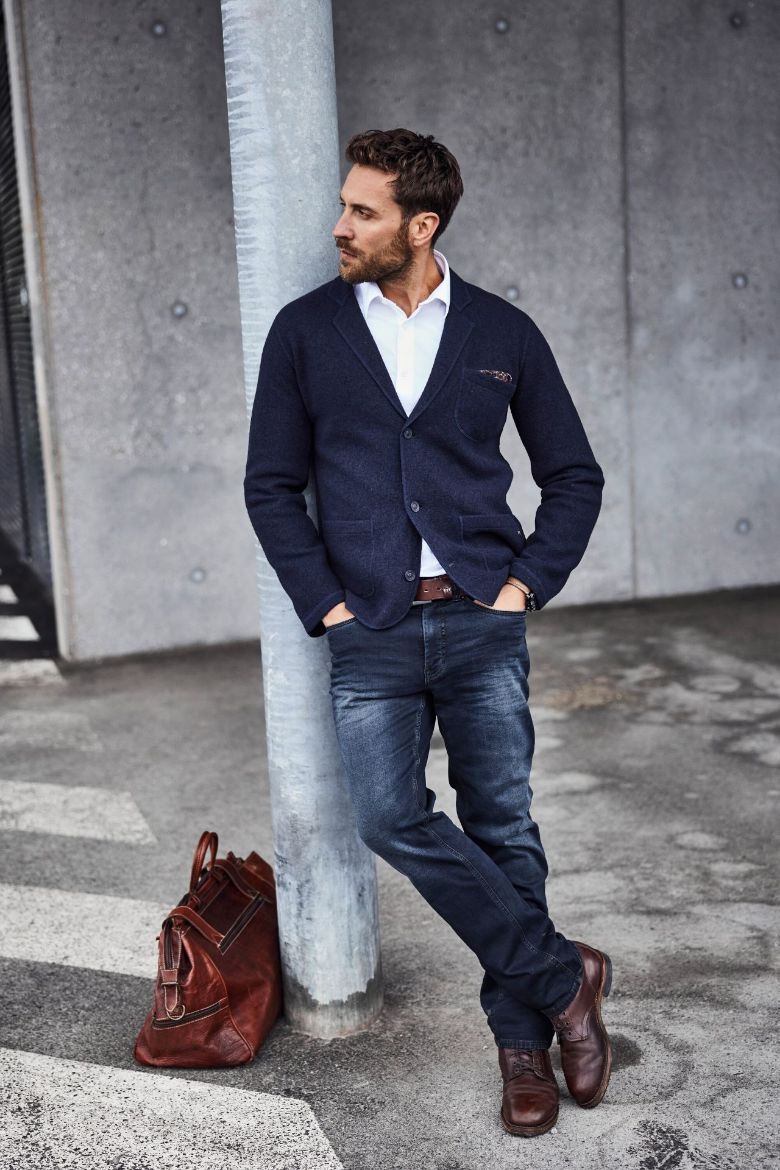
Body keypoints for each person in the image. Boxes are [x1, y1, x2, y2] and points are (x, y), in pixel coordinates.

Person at [244, 128, 612, 1138]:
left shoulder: (503, 332)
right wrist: (326, 605)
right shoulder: (305, 332)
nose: (340, 225)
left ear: (421, 225)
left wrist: (526, 586)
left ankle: (522, 1044)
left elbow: (573, 475)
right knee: (390, 818)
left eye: (362, 211)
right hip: (368, 628)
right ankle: (564, 979)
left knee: (504, 827)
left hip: (481, 618)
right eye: (344, 204)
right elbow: (270, 486)